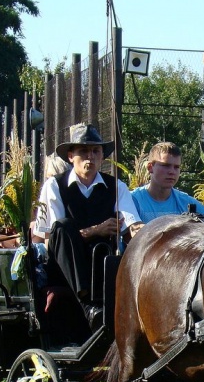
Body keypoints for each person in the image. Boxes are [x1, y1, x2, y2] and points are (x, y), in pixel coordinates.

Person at [33, 123, 143, 324]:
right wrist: (96, 230)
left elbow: (131, 227)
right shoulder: (54, 186)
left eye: (95, 151)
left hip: (102, 264)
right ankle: (86, 306)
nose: (90, 157)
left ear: (102, 156)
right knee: (63, 226)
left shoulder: (116, 186)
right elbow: (53, 239)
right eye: (83, 151)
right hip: (63, 269)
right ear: (70, 156)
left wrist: (149, 231)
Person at [131, 142, 204, 223]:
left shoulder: (186, 202)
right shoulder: (133, 201)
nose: (172, 172)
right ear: (150, 167)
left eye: (176, 167)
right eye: (166, 165)